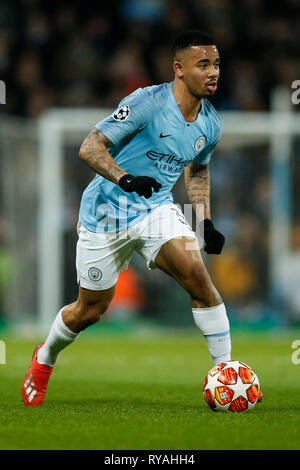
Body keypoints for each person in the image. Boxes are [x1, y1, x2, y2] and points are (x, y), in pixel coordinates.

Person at [22, 30, 262, 406]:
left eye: (216, 64)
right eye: (204, 65)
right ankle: (44, 357)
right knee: (90, 310)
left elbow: (197, 170)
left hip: (155, 209)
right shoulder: (147, 102)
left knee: (199, 277)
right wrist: (126, 178)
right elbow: (90, 147)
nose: (213, 72)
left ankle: (227, 375)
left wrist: (205, 222)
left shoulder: (211, 123)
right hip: (105, 214)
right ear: (179, 69)